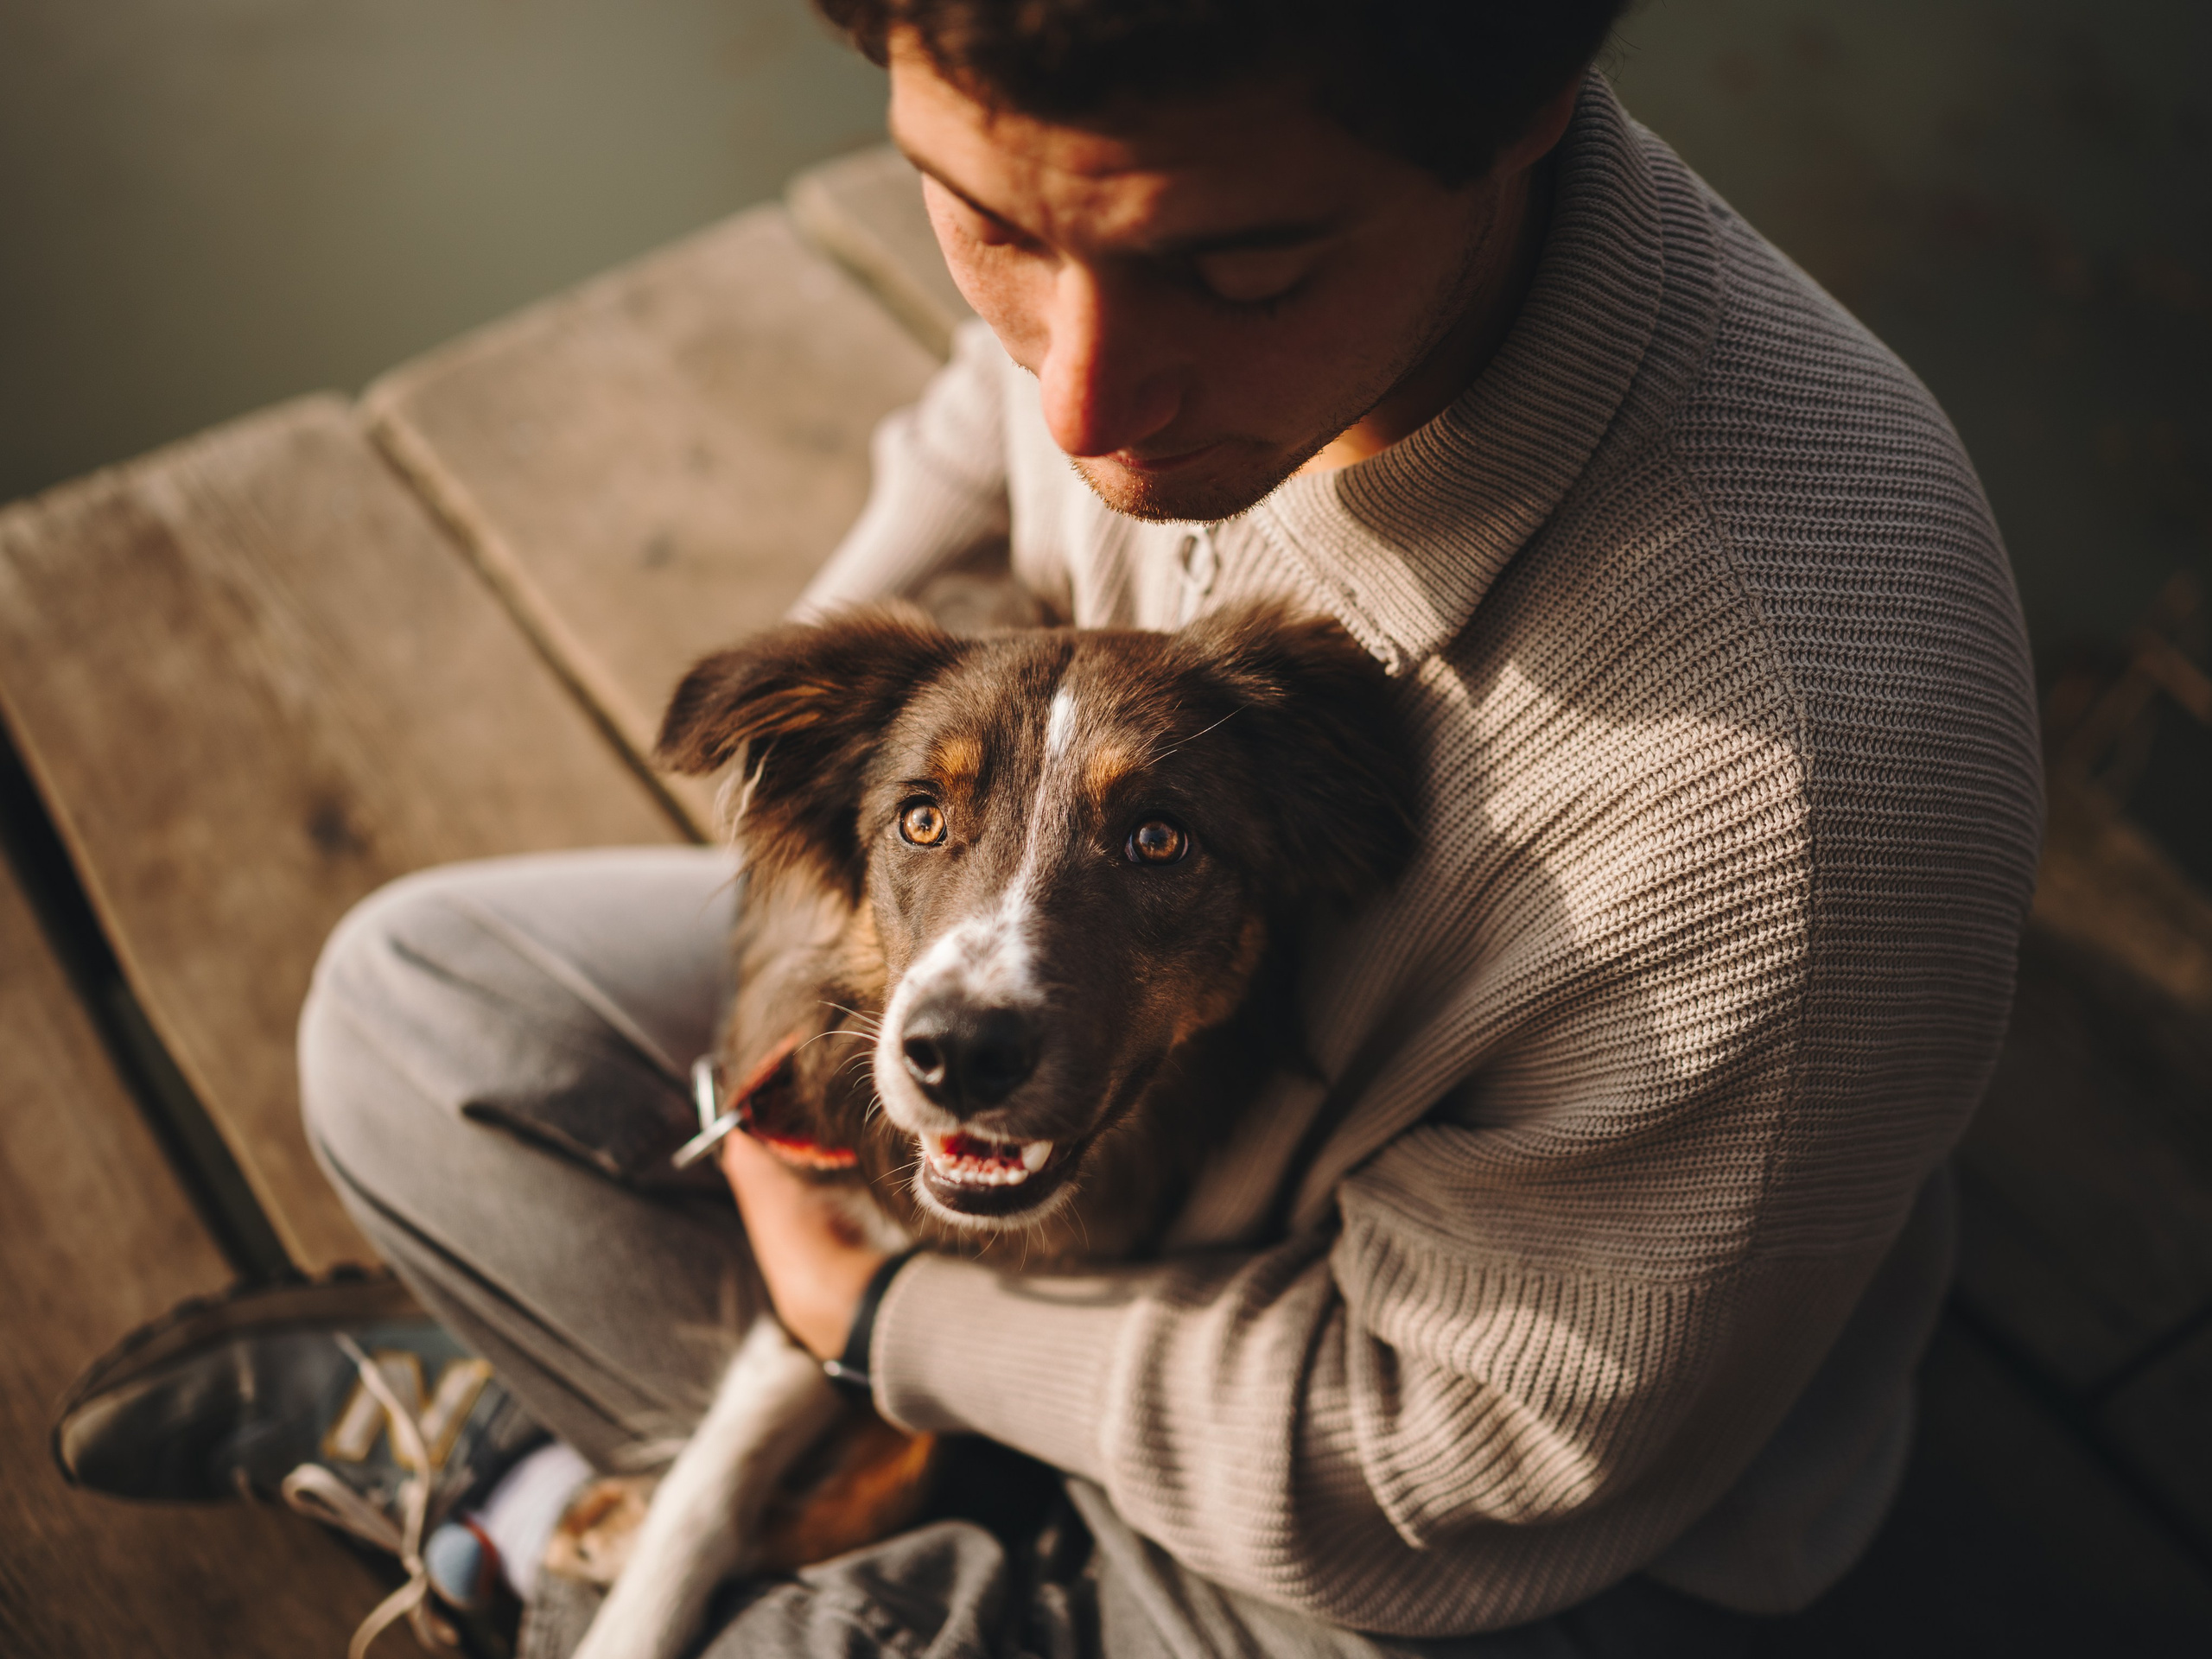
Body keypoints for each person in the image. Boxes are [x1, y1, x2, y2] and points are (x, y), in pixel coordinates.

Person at [60, 2, 2044, 1654]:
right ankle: (754, 1516)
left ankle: (560, 1510)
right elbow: (966, 458)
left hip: (1480, 1525)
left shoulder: (1795, 781)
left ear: (1523, 115)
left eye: (1240, 272)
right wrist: (839, 856)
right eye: (985, 226)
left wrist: (887, 1319)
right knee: (415, 1016)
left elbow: (1460, 1475)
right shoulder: (1124, 266)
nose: (1087, 400)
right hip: (1086, 1113)